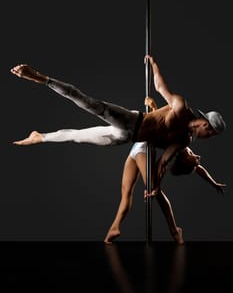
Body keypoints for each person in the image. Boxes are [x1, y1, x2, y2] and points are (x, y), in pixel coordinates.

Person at [10, 55, 226, 196]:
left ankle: (40, 136)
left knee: (77, 136)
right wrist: (154, 65)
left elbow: (164, 162)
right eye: (211, 134)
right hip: (132, 120)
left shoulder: (184, 140)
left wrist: (156, 187)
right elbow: (160, 87)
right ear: (205, 124)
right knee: (90, 104)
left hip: (126, 137)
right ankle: (40, 78)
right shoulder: (181, 108)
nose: (207, 139)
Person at [104, 97, 226, 245]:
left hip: (145, 148)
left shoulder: (181, 147)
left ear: (185, 160)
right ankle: (115, 227)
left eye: (194, 158)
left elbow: (183, 165)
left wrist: (155, 183)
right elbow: (160, 124)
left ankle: (174, 230)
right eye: (195, 157)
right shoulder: (184, 146)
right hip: (136, 147)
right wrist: (214, 183)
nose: (197, 156)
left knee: (153, 188)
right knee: (126, 191)